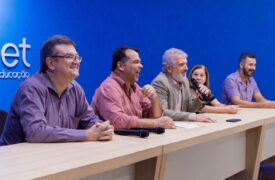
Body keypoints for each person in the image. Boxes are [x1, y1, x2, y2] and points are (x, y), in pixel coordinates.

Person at [0, 35, 113, 145]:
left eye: (77, 57)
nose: (76, 62)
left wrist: (102, 128)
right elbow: (35, 132)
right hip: (18, 158)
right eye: (69, 56)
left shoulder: (76, 88)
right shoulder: (31, 88)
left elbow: (90, 119)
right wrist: (86, 135)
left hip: (55, 154)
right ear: (51, 63)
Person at [92, 46, 175, 129]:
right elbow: (117, 121)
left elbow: (155, 117)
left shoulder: (135, 88)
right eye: (136, 62)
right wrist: (155, 123)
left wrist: (154, 98)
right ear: (120, 66)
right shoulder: (108, 88)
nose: (141, 66)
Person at [151, 48, 216, 122]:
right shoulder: (160, 82)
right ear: (169, 68)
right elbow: (163, 112)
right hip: (167, 128)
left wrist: (200, 98)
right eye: (181, 64)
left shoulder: (184, 80)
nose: (187, 68)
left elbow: (189, 108)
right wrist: (193, 117)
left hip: (182, 125)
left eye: (186, 64)